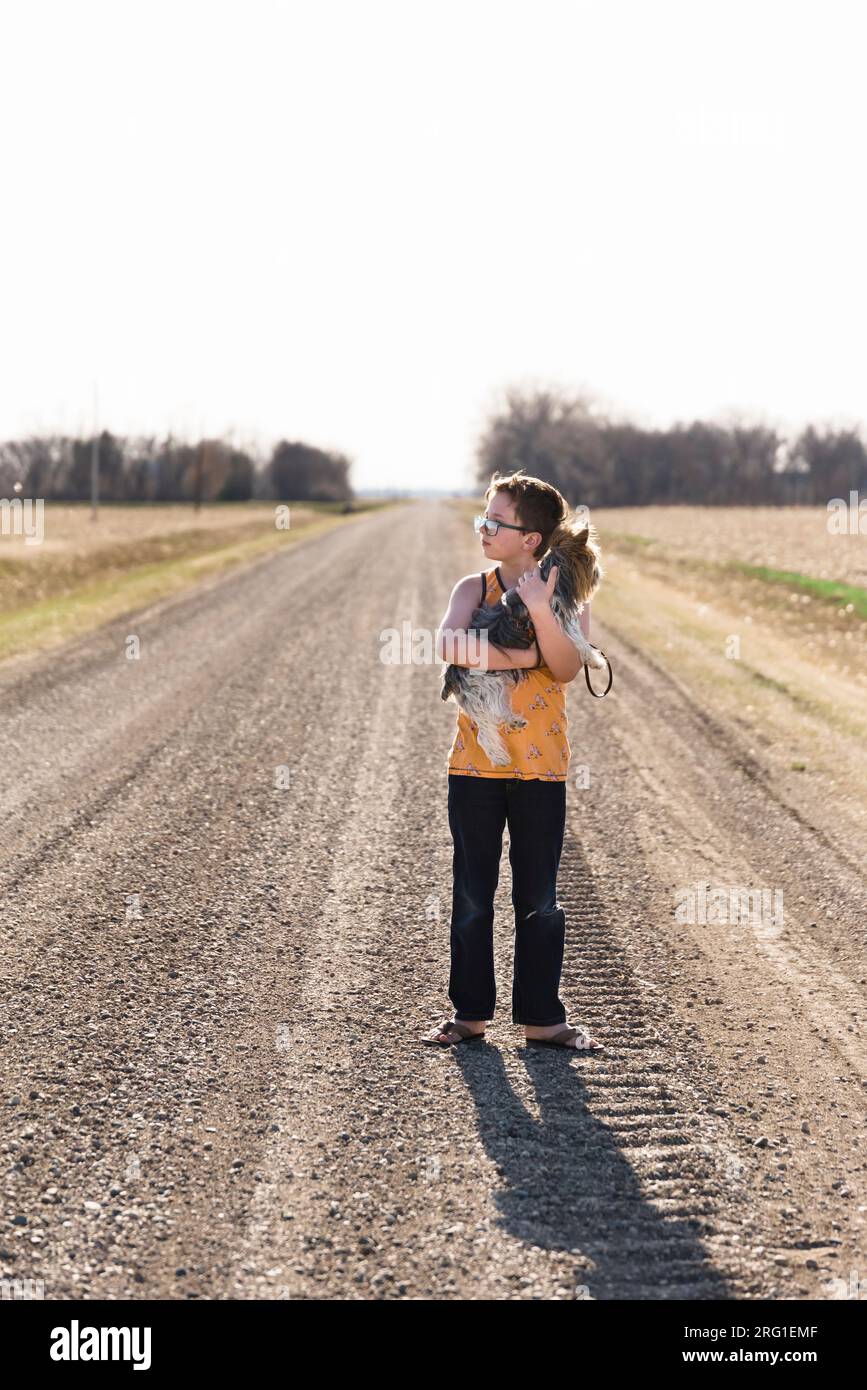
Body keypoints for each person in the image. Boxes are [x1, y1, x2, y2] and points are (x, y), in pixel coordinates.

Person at [422, 470, 604, 1051]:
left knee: (540, 899)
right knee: (473, 895)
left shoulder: (564, 593)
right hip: (475, 767)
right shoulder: (472, 589)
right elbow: (450, 645)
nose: (484, 529)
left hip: (539, 770)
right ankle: (470, 1015)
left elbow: (569, 666)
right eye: (484, 518)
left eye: (496, 523)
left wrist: (540, 614)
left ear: (531, 540)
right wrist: (525, 651)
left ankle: (542, 1020)